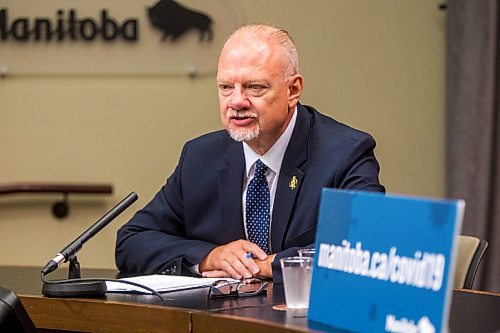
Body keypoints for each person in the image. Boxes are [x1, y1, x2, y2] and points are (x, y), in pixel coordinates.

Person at [115, 24, 385, 282]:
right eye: (226, 88)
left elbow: (365, 248)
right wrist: (211, 256)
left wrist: (266, 266)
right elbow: (132, 241)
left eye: (255, 87)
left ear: (293, 90)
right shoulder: (199, 157)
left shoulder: (345, 154)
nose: (236, 102)